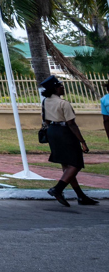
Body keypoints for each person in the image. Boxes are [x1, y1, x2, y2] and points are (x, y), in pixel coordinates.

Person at [41, 76, 97, 207]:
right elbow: (71, 124)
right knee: (76, 164)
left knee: (66, 165)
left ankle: (80, 196)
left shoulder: (46, 101)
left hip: (52, 132)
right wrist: (82, 141)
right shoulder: (64, 103)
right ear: (55, 88)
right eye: (60, 86)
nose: (63, 88)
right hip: (65, 132)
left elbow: (46, 120)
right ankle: (57, 189)